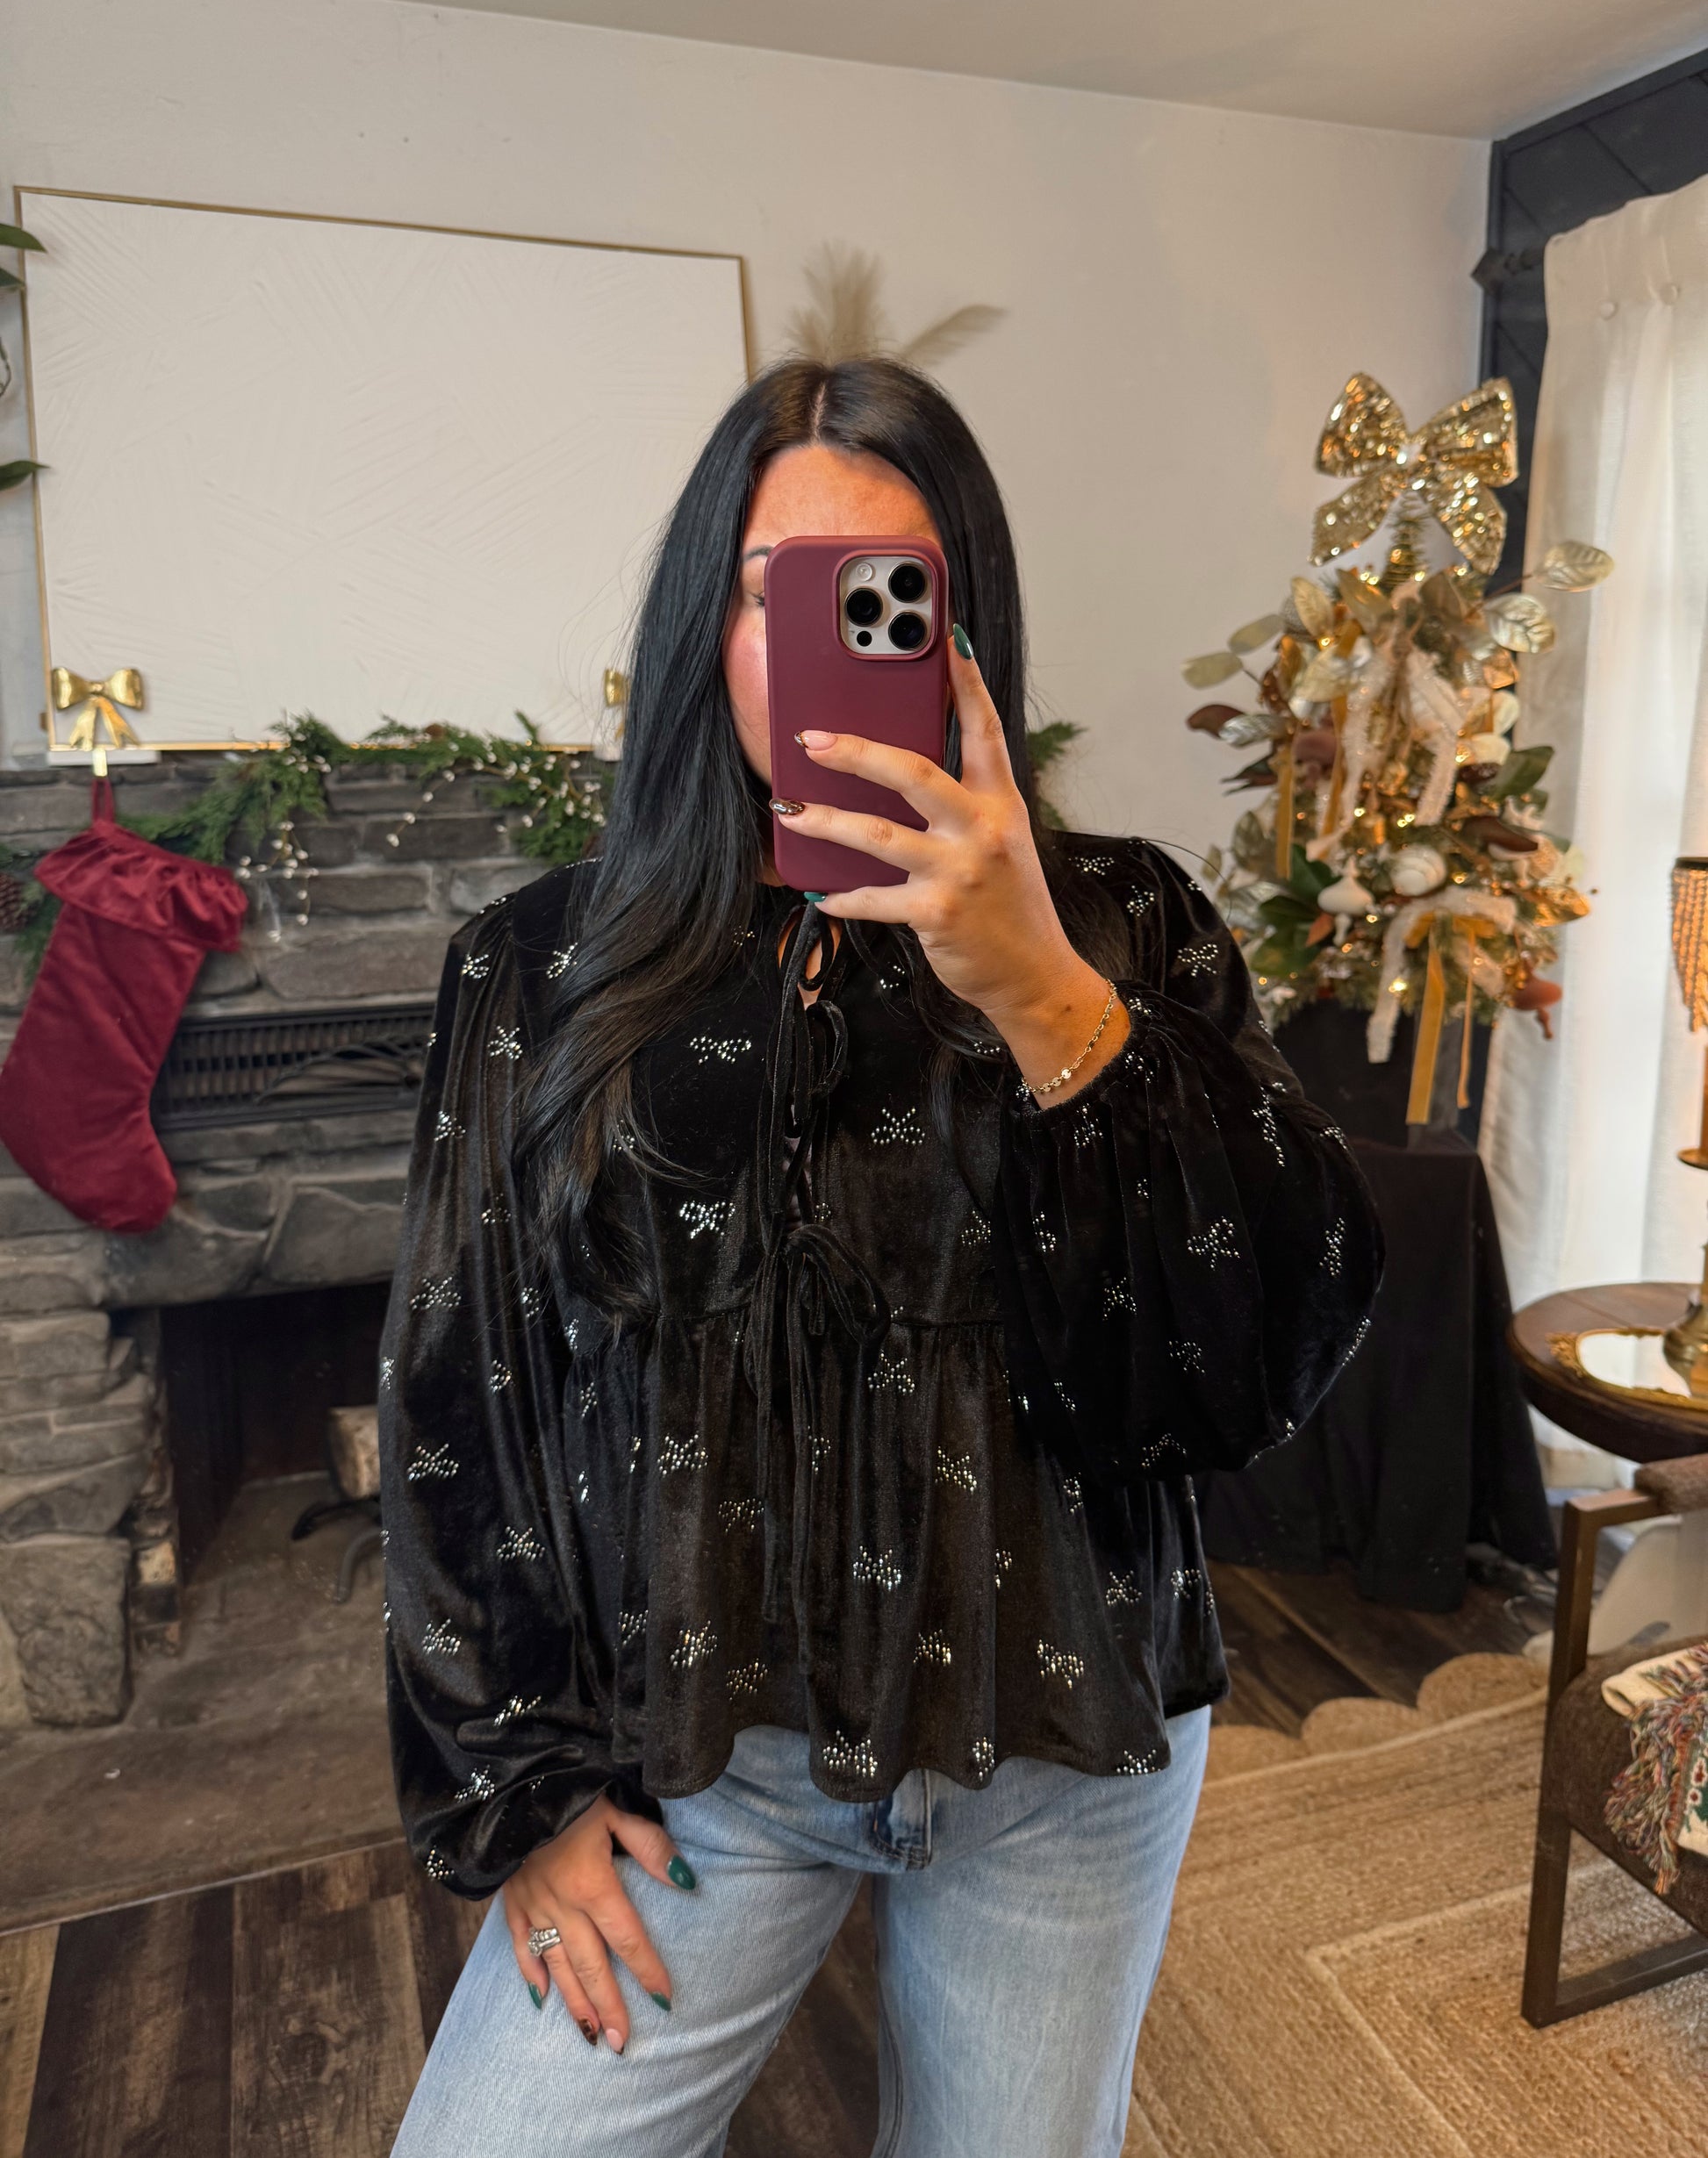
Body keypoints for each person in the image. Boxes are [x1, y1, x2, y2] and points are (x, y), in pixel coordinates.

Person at [382, 358, 1381, 2158]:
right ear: (705, 629)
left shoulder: (1127, 923)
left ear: (959, 630)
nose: (821, 648)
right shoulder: (541, 970)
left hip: (1069, 1752)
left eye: (882, 596)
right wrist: (519, 1784)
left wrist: (1048, 998)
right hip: (705, 1762)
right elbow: (466, 1388)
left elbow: (1259, 1354)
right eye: (776, 592)